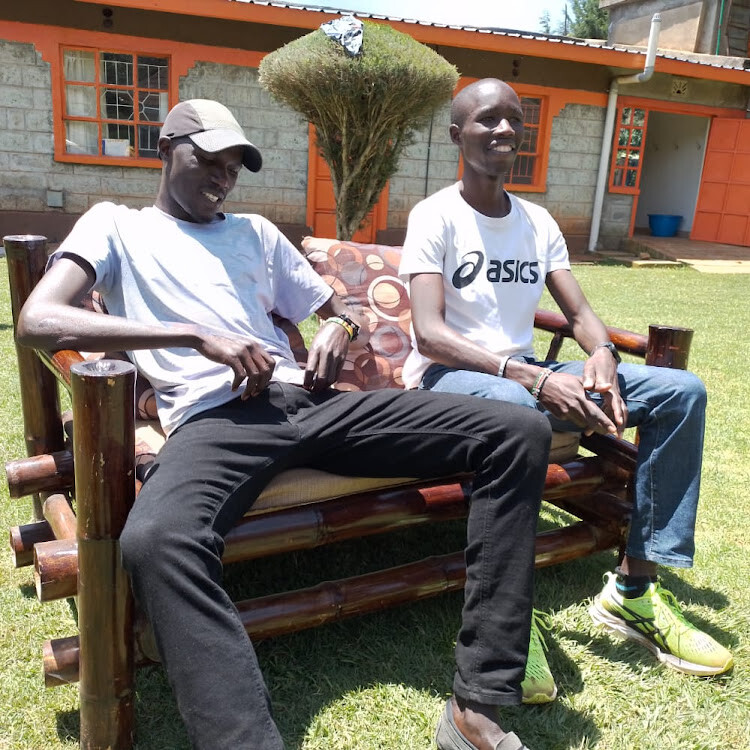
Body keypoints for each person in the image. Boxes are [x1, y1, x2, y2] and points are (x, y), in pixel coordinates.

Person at [18, 99, 552, 750]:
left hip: (306, 400)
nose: (222, 177)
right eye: (208, 160)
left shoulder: (256, 233)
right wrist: (192, 334)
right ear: (164, 149)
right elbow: (37, 320)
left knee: (516, 431)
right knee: (155, 540)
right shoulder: (115, 226)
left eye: (233, 167)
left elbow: (343, 307)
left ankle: (477, 707)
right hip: (213, 420)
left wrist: (339, 325)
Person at [399, 78, 734, 705]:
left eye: (514, 119)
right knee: (519, 412)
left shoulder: (537, 221)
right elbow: (430, 334)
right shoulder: (435, 216)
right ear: (456, 135)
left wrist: (601, 351)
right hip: (449, 379)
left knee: (680, 391)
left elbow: (578, 313)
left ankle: (633, 591)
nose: (504, 130)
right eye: (487, 119)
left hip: (525, 373)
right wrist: (531, 376)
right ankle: (508, 619)